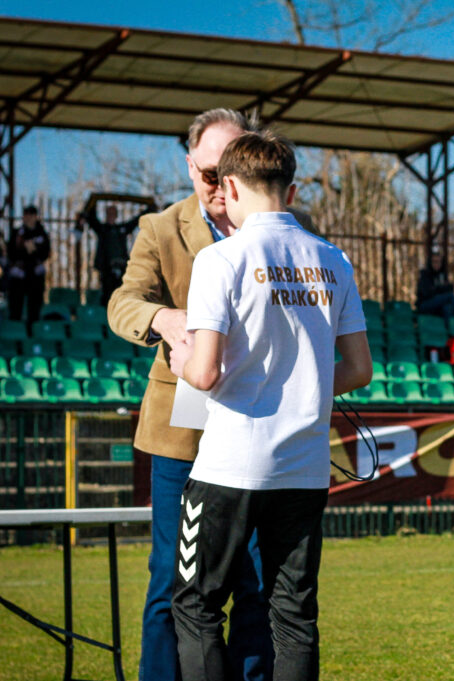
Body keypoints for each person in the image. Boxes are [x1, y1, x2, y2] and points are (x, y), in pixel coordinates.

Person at [108, 108, 315, 681]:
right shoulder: (161, 228)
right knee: (172, 583)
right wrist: (166, 319)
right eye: (208, 174)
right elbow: (123, 302)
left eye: (231, 172)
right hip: (183, 428)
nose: (221, 186)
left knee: (258, 585)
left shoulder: (285, 227)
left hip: (261, 432)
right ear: (189, 167)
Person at [168, 129, 371, 681]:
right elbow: (359, 369)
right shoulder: (333, 259)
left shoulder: (220, 258)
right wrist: (302, 387)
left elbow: (204, 373)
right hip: (303, 467)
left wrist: (179, 360)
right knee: (294, 615)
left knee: (196, 605)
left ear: (230, 187)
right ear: (292, 191)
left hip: (229, 466)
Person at [75, 200, 150, 306]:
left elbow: (135, 221)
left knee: (122, 294)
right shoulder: (102, 229)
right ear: (106, 214)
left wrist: (149, 209)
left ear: (116, 215)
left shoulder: (122, 229)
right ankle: (106, 312)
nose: (111, 215)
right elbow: (92, 218)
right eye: (109, 213)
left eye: (113, 213)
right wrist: (92, 203)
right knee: (107, 294)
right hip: (106, 269)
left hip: (122, 267)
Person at [6, 204, 51, 325]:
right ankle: (16, 331)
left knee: (34, 308)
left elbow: (45, 253)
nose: (28, 218)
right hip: (19, 275)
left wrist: (31, 250)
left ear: (36, 217)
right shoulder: (17, 233)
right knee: (15, 308)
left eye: (31, 215)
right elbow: (11, 253)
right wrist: (26, 249)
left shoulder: (42, 233)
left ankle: (32, 331)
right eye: (26, 215)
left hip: (35, 276)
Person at [416, 244, 454, 320]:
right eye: (434, 261)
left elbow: (448, 288)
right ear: (430, 262)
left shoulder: (442, 275)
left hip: (437, 306)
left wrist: (439, 289)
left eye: (439, 262)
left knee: (447, 307)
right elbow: (427, 292)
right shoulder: (425, 274)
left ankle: (450, 327)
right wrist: (440, 289)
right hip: (424, 305)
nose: (437, 264)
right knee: (450, 296)